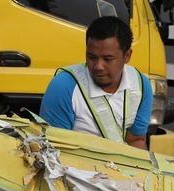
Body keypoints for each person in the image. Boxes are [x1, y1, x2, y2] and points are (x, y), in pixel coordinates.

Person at [39, 16, 153, 149]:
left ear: (127, 56)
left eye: (107, 59)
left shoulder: (141, 85)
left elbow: (135, 140)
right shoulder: (63, 86)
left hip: (119, 168)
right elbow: (53, 147)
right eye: (92, 57)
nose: (98, 66)